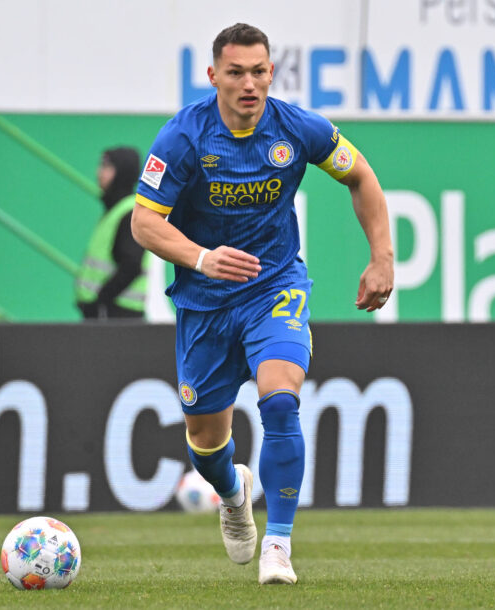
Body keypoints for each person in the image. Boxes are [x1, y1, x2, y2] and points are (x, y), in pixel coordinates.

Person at [130, 23, 393, 585]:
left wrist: (382, 257)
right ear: (213, 76)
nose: (249, 84)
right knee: (206, 445)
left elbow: (361, 176)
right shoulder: (183, 137)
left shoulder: (298, 129)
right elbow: (144, 223)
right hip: (204, 304)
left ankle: (279, 544)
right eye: (236, 73)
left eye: (258, 71)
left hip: (274, 287)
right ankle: (233, 493)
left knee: (279, 402)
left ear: (271, 72)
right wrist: (202, 258)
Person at [75, 146, 148, 320]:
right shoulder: (116, 209)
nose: (99, 172)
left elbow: (131, 266)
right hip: (108, 312)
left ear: (123, 173)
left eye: (107, 167)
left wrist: (100, 301)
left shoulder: (129, 213)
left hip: (117, 314)